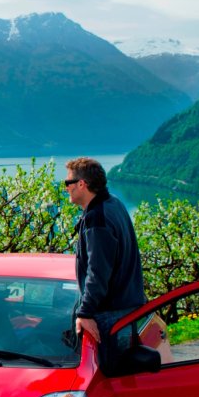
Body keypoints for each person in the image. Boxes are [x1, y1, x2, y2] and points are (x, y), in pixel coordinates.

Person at [65, 157, 146, 369]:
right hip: (124, 307)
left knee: (104, 376)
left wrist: (85, 312)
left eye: (68, 183)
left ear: (81, 184)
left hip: (108, 313)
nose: (66, 188)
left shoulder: (97, 218)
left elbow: (98, 272)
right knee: (122, 374)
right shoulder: (114, 204)